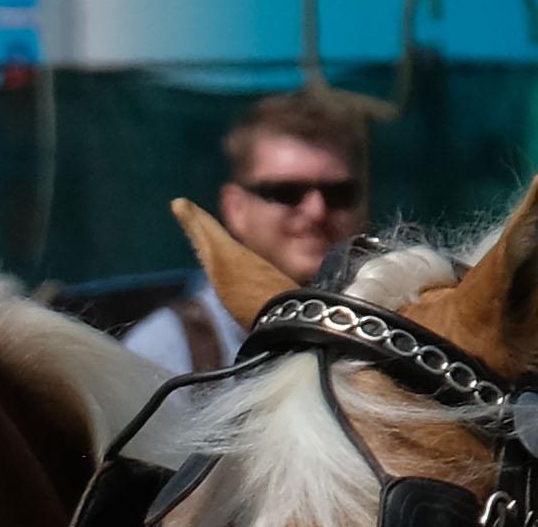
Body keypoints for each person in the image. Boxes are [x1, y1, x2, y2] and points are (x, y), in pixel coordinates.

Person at [124, 93, 371, 373]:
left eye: (339, 193)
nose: (316, 211)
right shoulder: (167, 351)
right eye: (285, 192)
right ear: (235, 208)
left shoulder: (387, 335)